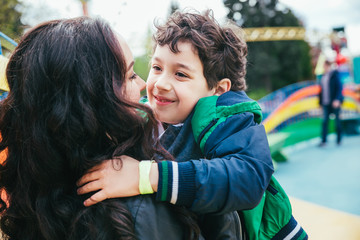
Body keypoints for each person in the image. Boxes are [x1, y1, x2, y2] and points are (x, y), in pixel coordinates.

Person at [78, 10, 307, 239]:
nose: (161, 84)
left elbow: (248, 178)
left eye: (180, 74)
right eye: (157, 68)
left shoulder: (225, 118)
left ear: (217, 90)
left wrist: (146, 176)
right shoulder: (147, 115)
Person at [0, 17, 201, 240]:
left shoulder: (31, 195)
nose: (144, 83)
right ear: (92, 105)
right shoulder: (138, 212)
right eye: (130, 75)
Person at [318, 60, 344, 146]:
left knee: (337, 121)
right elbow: (321, 91)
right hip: (326, 102)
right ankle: (324, 140)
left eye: (325, 66)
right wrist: (320, 103)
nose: (324, 68)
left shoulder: (334, 75)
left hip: (334, 102)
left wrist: (337, 99)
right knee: (325, 121)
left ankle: (339, 139)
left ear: (328, 66)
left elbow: (339, 88)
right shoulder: (323, 77)